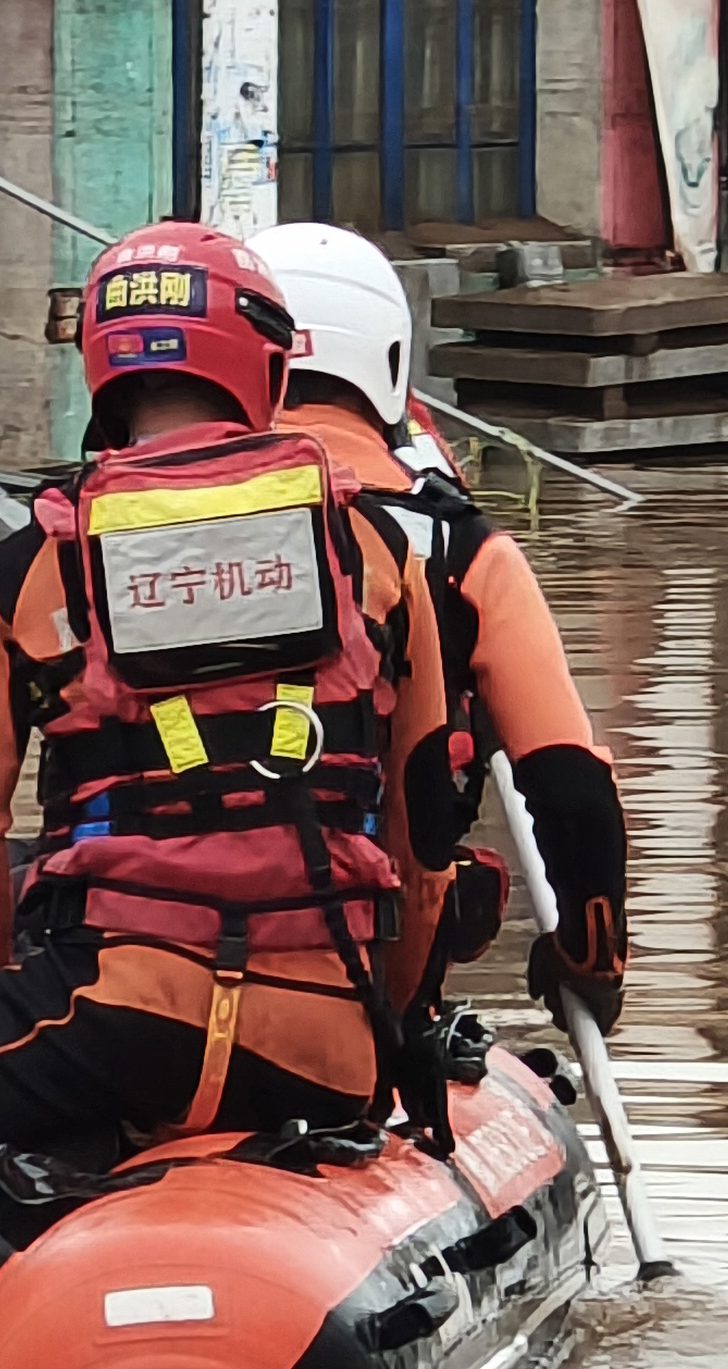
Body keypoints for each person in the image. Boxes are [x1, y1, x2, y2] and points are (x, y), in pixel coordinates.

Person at [0, 222, 457, 1241]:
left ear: (101, 366)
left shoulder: (25, 568)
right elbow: (427, 831)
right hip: (323, 1042)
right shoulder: (375, 551)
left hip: (108, 1012)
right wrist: (391, 1027)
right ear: (268, 363)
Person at [251, 221, 628, 1035]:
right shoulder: (465, 550)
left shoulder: (107, 544)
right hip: (371, 964)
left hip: (133, 946)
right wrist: (590, 960)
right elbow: (574, 793)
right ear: (389, 362)